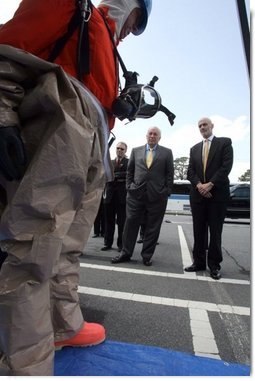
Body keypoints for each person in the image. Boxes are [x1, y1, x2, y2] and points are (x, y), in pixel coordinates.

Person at [0, 0, 152, 375]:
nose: (134, 29)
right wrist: (2, 113)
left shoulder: (109, 51)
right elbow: (10, 49)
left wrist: (120, 105)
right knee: (34, 247)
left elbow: (94, 96)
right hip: (62, 132)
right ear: (126, 4)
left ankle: (63, 325)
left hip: (92, 144)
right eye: (138, 19)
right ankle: (26, 365)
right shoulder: (73, 6)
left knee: (68, 248)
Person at [111, 126, 174, 266]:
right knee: (130, 223)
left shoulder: (167, 153)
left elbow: (170, 174)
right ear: (146, 136)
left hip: (157, 196)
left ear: (159, 137)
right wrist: (129, 187)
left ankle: (147, 256)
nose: (152, 136)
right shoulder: (136, 151)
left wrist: (166, 191)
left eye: (155, 134)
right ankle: (125, 253)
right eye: (150, 133)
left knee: (153, 226)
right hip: (135, 195)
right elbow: (130, 172)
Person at [184, 117, 233, 280]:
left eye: (205, 124)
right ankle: (198, 262)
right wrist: (200, 185)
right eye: (199, 126)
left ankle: (214, 265)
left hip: (217, 196)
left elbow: (226, 167)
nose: (202, 127)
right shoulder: (194, 148)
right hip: (198, 196)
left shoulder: (224, 143)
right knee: (198, 232)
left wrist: (210, 184)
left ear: (212, 126)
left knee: (215, 232)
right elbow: (190, 171)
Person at [101, 142, 128, 252]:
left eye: (122, 149)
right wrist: (116, 176)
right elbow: (105, 176)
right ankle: (108, 243)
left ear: (125, 150)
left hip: (122, 197)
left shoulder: (129, 162)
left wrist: (115, 175)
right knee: (109, 222)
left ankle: (121, 245)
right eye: (118, 148)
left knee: (122, 223)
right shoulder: (110, 162)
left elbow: (128, 175)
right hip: (110, 197)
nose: (119, 150)